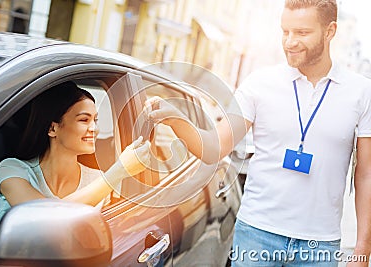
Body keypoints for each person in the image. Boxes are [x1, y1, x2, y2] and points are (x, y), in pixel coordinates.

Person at [146, 0, 371, 266]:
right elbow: (215, 146)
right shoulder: (259, 83)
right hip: (257, 234)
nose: (289, 42)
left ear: (330, 31)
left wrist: (363, 248)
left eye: (301, 33)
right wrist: (177, 119)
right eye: (285, 32)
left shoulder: (360, 92)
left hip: (319, 243)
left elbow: (366, 173)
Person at [0, 81, 150, 232]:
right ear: (52, 128)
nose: (94, 128)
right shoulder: (12, 170)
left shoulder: (98, 180)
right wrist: (118, 171)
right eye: (84, 120)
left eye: (95, 120)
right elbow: (43, 220)